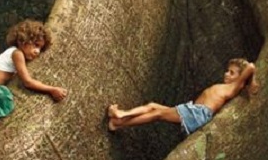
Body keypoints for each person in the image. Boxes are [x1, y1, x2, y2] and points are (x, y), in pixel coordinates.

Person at [107, 58, 258, 135]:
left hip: (198, 114)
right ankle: (118, 121)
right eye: (227, 70)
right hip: (193, 109)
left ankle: (120, 119)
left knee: (157, 114)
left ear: (240, 79)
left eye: (232, 73)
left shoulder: (233, 87)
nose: (226, 74)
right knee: (153, 106)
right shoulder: (225, 87)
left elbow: (251, 66)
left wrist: (251, 82)